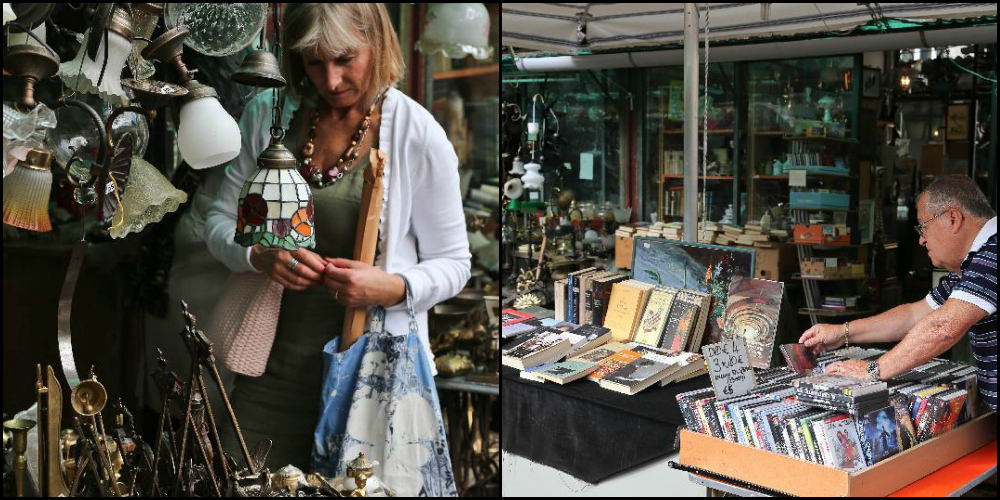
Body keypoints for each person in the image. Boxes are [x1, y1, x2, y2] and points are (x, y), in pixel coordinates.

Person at [204, 3, 471, 471]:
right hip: (269, 373)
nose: (329, 80)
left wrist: (390, 287)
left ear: (379, 43)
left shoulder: (416, 132)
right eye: (313, 62)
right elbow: (219, 224)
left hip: (367, 381)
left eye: (345, 58)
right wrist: (258, 256)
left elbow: (454, 263)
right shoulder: (268, 114)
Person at [800, 176, 997, 413]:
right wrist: (842, 333)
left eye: (924, 226)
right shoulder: (974, 265)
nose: (922, 239)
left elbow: (943, 328)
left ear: (953, 218)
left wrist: (872, 370)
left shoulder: (992, 256)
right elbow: (915, 315)